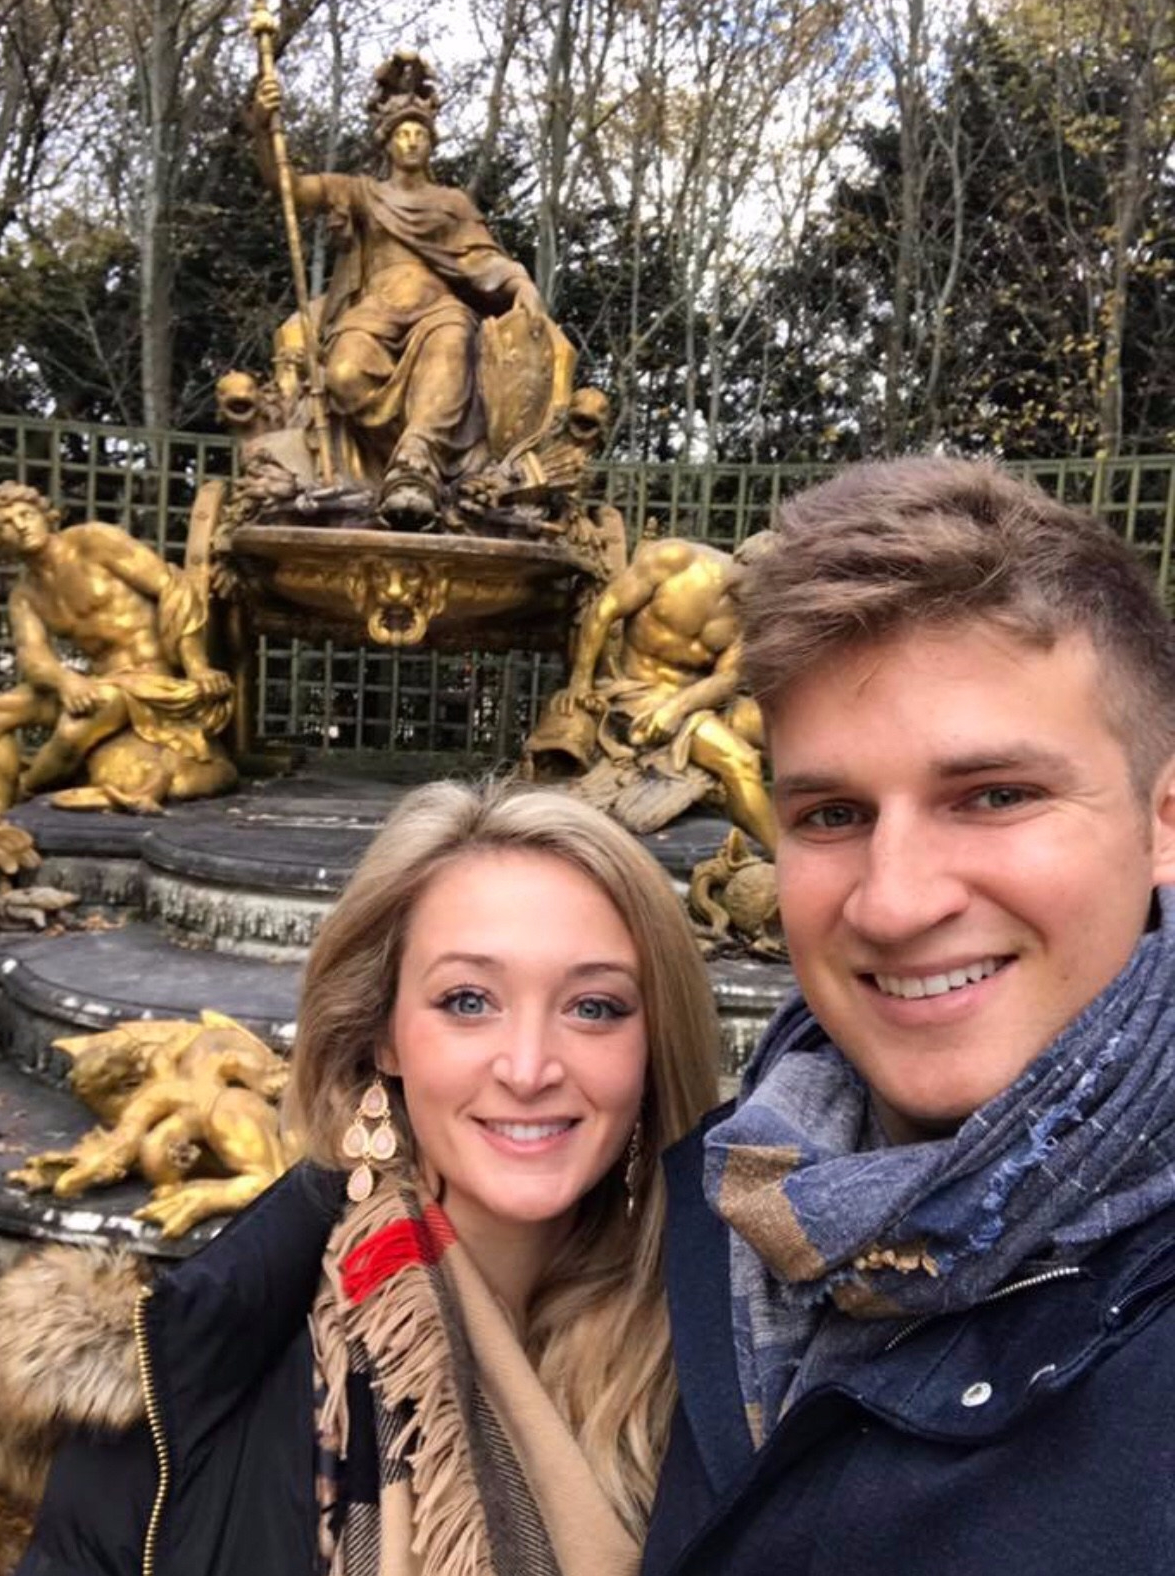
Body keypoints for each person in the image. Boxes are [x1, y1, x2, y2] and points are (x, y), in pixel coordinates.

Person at [0, 781, 722, 1576]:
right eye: (468, 1000)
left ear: (652, 1046)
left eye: (594, 1007)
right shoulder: (167, 1411)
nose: (528, 1069)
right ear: (381, 1035)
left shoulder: (736, 1361)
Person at [644, 456, 1175, 1576]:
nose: (893, 903)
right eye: (833, 814)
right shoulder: (717, 1195)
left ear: (1163, 820)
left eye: (994, 796)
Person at [252, 53, 544, 524]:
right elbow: (289, 186)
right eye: (402, 134)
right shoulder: (361, 193)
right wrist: (265, 130)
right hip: (374, 313)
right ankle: (399, 465)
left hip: (438, 311)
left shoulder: (451, 203)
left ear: (431, 142)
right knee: (343, 373)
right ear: (387, 143)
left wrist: (519, 281)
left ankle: (416, 461)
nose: (411, 141)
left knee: (453, 342)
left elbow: (482, 258)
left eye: (419, 134)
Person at [0, 481, 235, 821]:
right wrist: (66, 681)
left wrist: (197, 666)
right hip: (100, 682)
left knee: (73, 730)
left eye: (26, 514)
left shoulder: (94, 541)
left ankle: (25, 789)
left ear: (46, 516)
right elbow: (32, 656)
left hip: (151, 678)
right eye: (6, 523)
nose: (20, 525)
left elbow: (175, 589)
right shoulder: (25, 595)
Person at [534, 536, 777, 850]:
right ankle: (782, 861)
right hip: (637, 694)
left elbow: (727, 677)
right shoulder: (676, 559)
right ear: (749, 563)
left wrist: (676, 708)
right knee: (740, 761)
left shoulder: (751, 612)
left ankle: (789, 832)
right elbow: (604, 610)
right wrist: (580, 681)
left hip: (697, 700)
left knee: (786, 734)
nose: (772, 596)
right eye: (771, 583)